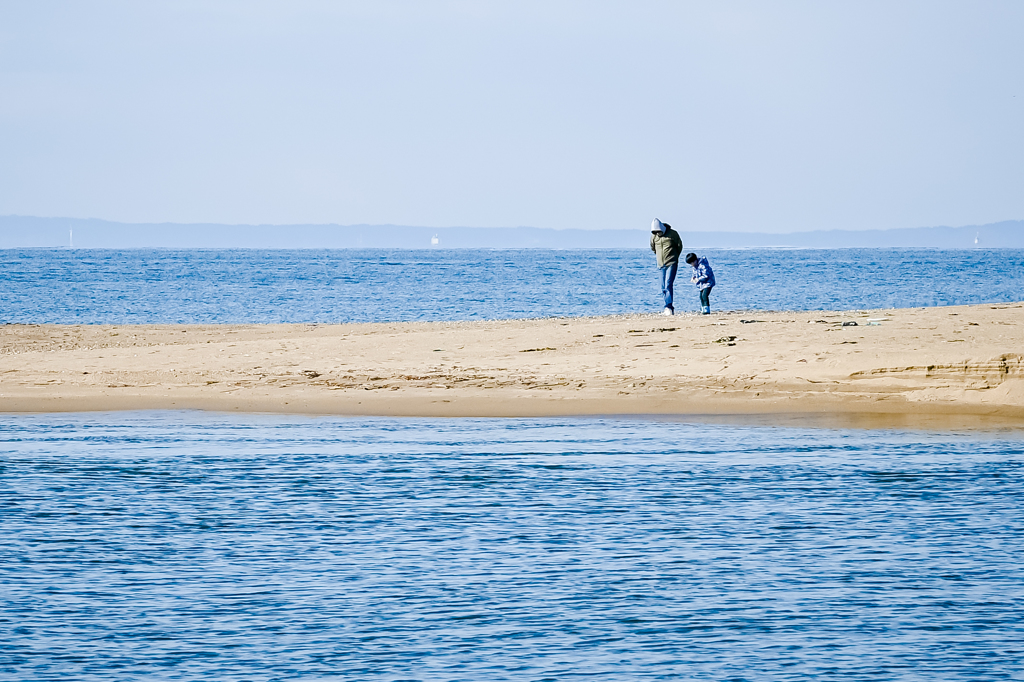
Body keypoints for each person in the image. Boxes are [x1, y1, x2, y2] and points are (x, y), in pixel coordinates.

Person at [649, 218, 683, 316]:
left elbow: (679, 246)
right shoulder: (653, 237)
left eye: (658, 231)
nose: (657, 233)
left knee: (668, 284)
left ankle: (669, 306)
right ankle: (667, 305)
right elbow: (653, 247)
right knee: (662, 287)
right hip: (660, 265)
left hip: (671, 263)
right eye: (655, 232)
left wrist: (675, 257)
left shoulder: (673, 234)